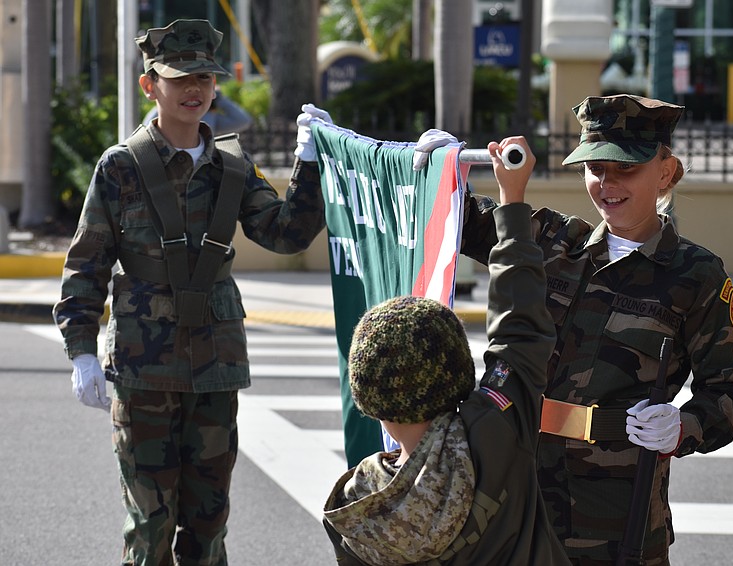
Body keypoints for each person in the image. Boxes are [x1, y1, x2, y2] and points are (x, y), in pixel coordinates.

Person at [414, 94, 733, 565]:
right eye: (596, 169)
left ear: (665, 172)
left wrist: (684, 426)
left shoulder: (695, 274)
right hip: (516, 495)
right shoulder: (553, 240)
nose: (607, 184)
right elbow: (461, 221)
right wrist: (441, 170)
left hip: (616, 516)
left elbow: (730, 390)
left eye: (626, 169)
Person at [53, 19, 328, 565]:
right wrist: (81, 349)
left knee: (207, 529)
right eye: (179, 78)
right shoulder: (122, 167)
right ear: (150, 85)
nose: (194, 89)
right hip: (144, 369)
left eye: (204, 76)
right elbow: (87, 264)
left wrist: (310, 165)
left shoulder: (232, 166)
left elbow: (284, 233)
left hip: (214, 368)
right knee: (151, 527)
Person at [322, 137, 572, 565]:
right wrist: (512, 201)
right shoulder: (494, 431)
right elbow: (520, 331)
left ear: (366, 398)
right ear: (456, 372)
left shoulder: (355, 503)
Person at [143, 87, 254, 135]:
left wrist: (218, 98)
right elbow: (147, 131)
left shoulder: (208, 115)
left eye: (203, 78)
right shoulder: (162, 113)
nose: (193, 89)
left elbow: (243, 121)